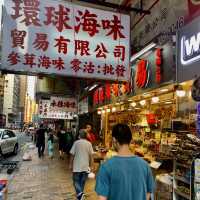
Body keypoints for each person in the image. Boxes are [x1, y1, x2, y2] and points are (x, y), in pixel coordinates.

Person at [95, 123, 154, 200]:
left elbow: (102, 198)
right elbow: (149, 192)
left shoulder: (106, 167)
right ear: (130, 140)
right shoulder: (145, 165)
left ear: (114, 140)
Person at [69, 129, 94, 200]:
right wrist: (92, 165)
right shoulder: (89, 144)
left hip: (77, 167)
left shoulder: (76, 143)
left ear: (79, 135)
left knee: (75, 182)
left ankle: (80, 194)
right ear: (86, 136)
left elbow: (72, 155)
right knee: (82, 182)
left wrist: (70, 164)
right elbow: (91, 156)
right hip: (85, 167)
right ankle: (80, 196)